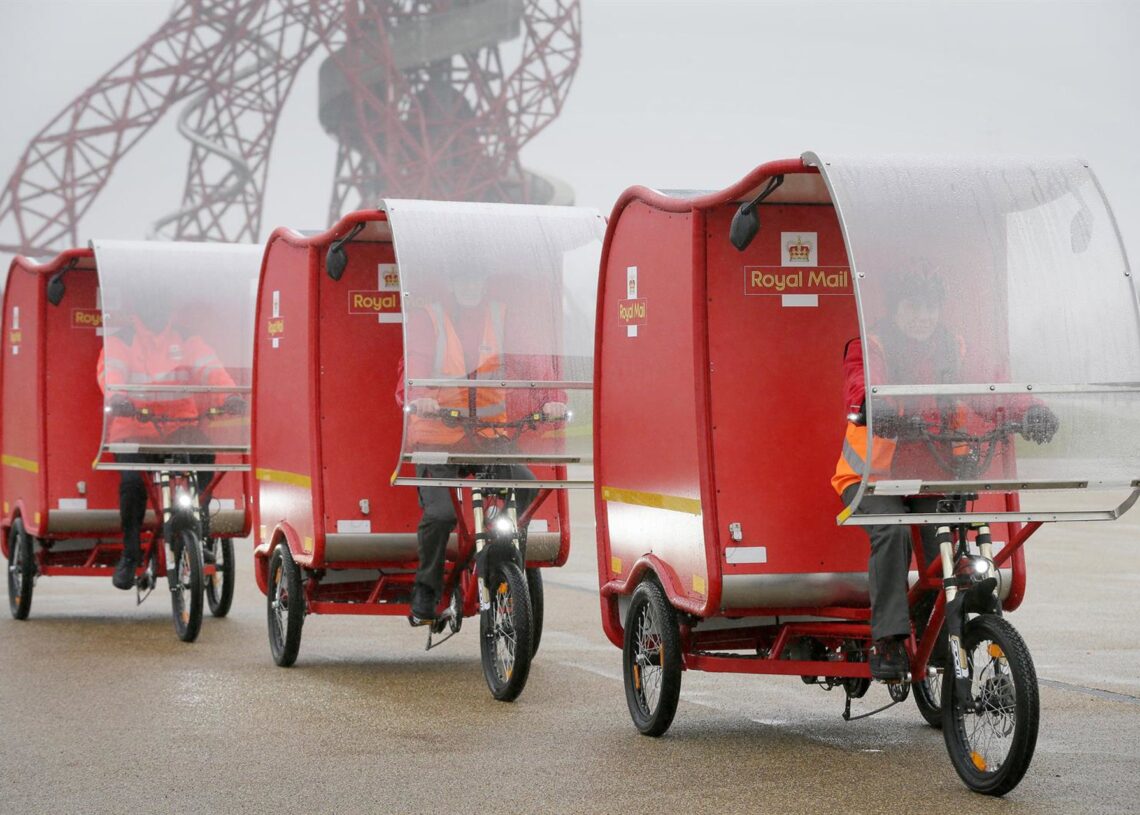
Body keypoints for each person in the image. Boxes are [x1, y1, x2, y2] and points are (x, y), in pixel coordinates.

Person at [832, 273, 1058, 680]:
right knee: (892, 532)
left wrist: (1030, 411)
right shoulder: (872, 346)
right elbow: (861, 383)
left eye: (930, 308)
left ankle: (935, 632)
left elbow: (990, 391)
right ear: (895, 309)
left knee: (946, 551)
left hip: (930, 475)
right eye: (913, 307)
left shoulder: (952, 349)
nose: (923, 317)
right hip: (869, 478)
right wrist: (871, 404)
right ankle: (888, 641)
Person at [398, 271, 566, 625]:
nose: (468, 285)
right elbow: (410, 368)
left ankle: (498, 558)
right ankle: (425, 594)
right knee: (441, 515)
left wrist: (551, 398)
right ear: (451, 283)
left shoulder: (500, 318)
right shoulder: (430, 320)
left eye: (474, 277)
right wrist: (420, 396)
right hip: (437, 439)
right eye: (462, 277)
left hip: (488, 436)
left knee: (527, 486)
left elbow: (532, 364)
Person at [97, 302, 243, 590]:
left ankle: (197, 528)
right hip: (134, 429)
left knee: (204, 456)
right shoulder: (121, 341)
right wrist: (117, 397)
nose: (160, 310)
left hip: (178, 426)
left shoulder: (187, 339)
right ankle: (130, 553)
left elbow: (211, 370)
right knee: (132, 484)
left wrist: (229, 397)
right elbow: (110, 373)